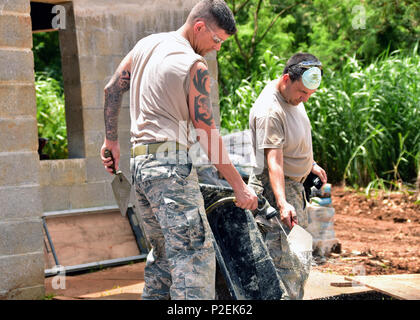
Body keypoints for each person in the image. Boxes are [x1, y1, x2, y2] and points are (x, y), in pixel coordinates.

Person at [100, 0, 258, 300]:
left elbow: (112, 89)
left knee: (162, 258)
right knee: (193, 258)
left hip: (140, 167)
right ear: (199, 27)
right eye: (216, 40)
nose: (217, 48)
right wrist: (239, 187)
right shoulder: (194, 66)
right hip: (170, 170)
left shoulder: (146, 44)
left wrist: (111, 141)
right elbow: (207, 133)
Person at [248, 53, 328, 300]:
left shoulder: (292, 95)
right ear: (286, 79)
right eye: (303, 92)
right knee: (287, 266)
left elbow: (291, 140)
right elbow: (274, 163)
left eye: (310, 94)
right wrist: (282, 203)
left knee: (301, 261)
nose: (305, 98)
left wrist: (309, 164)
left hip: (295, 190)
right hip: (276, 191)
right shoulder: (270, 110)